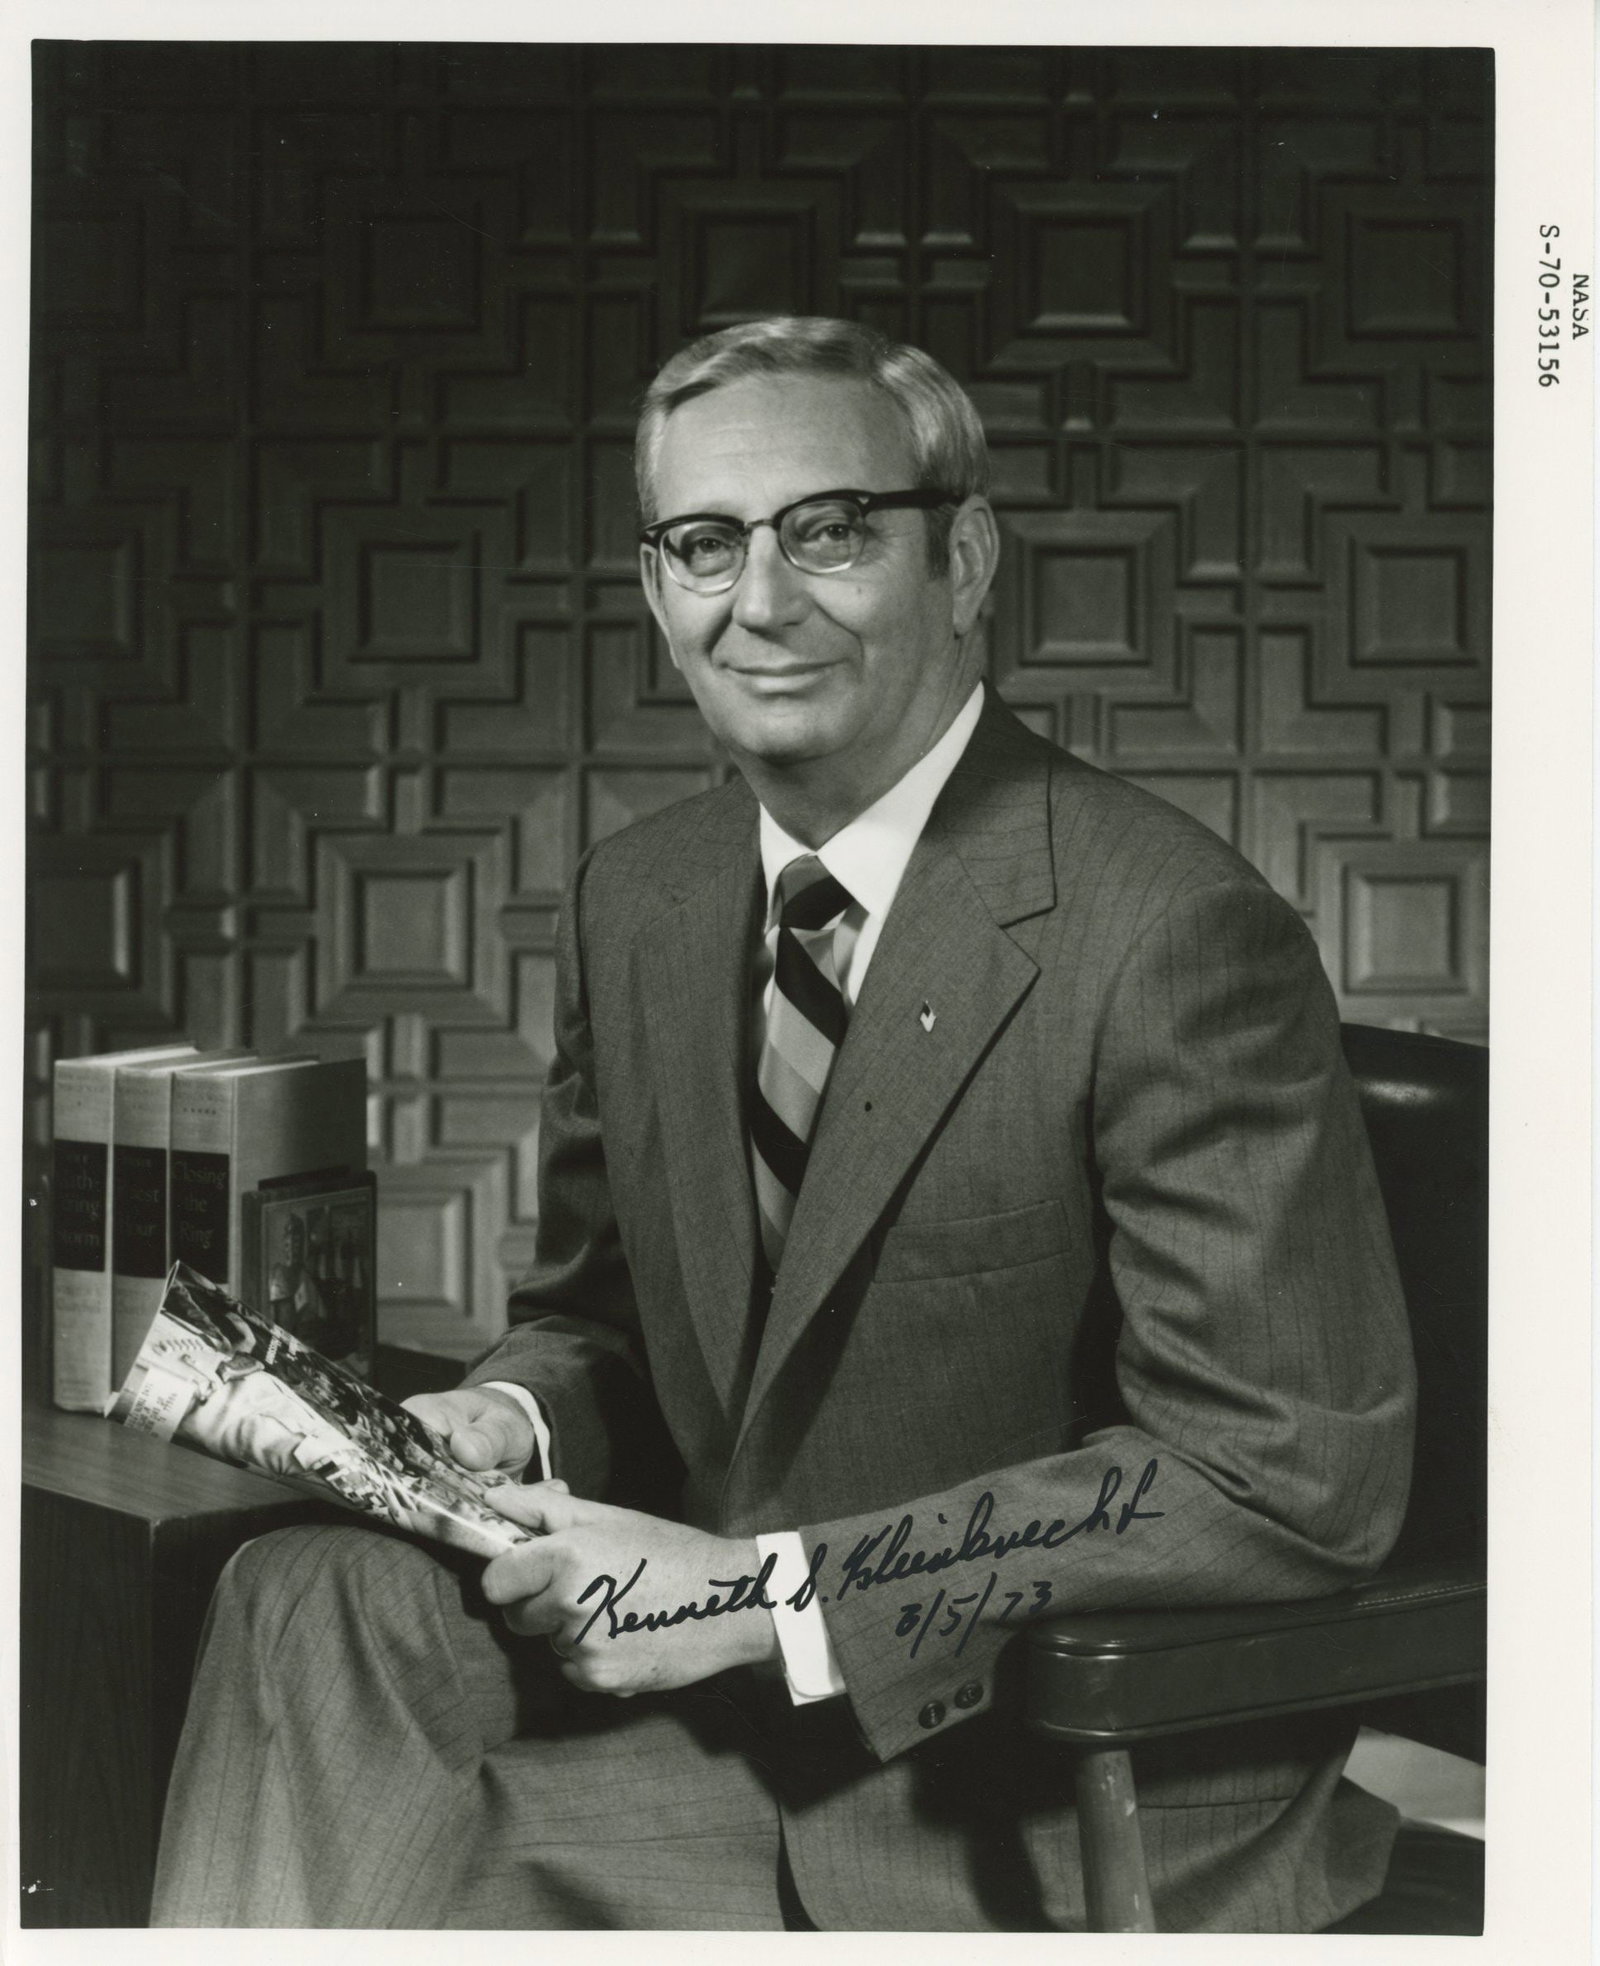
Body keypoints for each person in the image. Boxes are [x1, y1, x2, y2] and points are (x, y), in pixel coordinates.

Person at [151, 316, 1415, 1932]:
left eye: (829, 530)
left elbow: (1280, 1479)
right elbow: (604, 1316)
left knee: (398, 1872)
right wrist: (506, 1423)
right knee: (301, 1596)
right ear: (653, 586)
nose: (760, 602)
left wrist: (772, 1595)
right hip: (731, 1700)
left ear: (963, 557)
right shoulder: (649, 894)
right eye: (703, 542)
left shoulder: (1170, 931)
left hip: (1031, 1764)